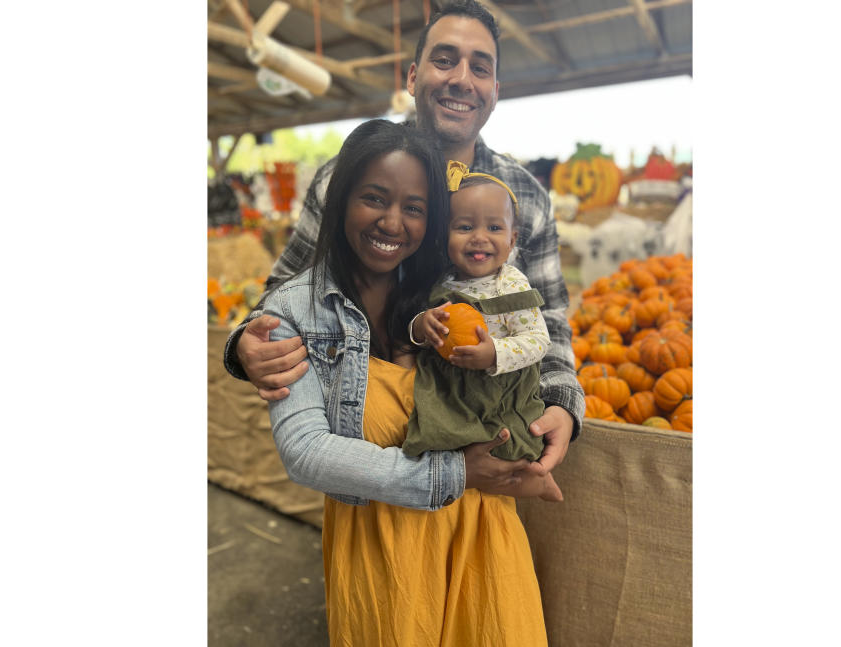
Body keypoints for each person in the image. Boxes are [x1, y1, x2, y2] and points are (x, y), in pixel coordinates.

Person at [224, 0, 584, 478]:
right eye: (444, 59)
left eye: (480, 67)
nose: (461, 78)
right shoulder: (344, 180)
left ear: (494, 92)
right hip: (372, 445)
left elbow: (551, 320)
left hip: (490, 435)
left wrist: (561, 402)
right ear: (413, 77)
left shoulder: (526, 198)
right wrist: (245, 346)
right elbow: (285, 290)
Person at [262, 117, 550, 644]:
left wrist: (557, 405)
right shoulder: (293, 312)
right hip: (382, 548)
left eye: (414, 208)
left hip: (482, 534)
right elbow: (305, 451)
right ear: (342, 200)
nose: (393, 223)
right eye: (374, 198)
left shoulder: (445, 290)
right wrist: (455, 474)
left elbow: (533, 340)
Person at [403, 162, 562, 502]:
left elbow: (538, 340)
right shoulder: (443, 281)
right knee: (435, 436)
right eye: (464, 226)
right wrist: (421, 326)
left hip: (497, 389)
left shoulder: (511, 284)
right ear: (444, 235)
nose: (479, 237)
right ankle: (451, 483)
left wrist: (495, 354)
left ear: (512, 239)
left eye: (493, 227)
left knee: (506, 440)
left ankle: (531, 480)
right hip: (450, 388)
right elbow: (416, 330)